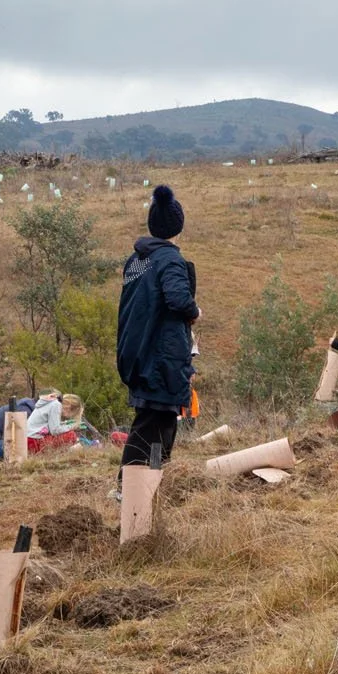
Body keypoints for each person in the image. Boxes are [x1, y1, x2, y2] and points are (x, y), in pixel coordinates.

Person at [115, 185, 199, 488]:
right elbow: (178, 299)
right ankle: (129, 487)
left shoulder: (137, 260)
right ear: (178, 227)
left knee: (160, 419)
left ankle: (153, 482)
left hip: (138, 353)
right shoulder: (169, 260)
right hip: (161, 358)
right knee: (153, 422)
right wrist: (195, 311)